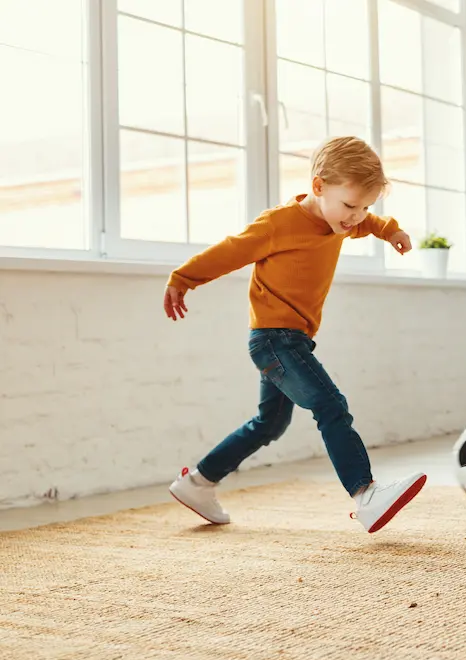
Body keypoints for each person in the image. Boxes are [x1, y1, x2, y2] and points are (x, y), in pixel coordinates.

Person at [164, 136, 426, 534]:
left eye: (366, 207)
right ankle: (364, 493)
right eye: (351, 206)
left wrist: (388, 229)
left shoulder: (337, 219)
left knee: (269, 424)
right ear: (319, 187)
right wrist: (184, 279)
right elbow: (231, 250)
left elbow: (366, 223)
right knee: (330, 405)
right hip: (275, 339)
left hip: (293, 340)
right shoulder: (280, 224)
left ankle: (198, 483)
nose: (356, 217)